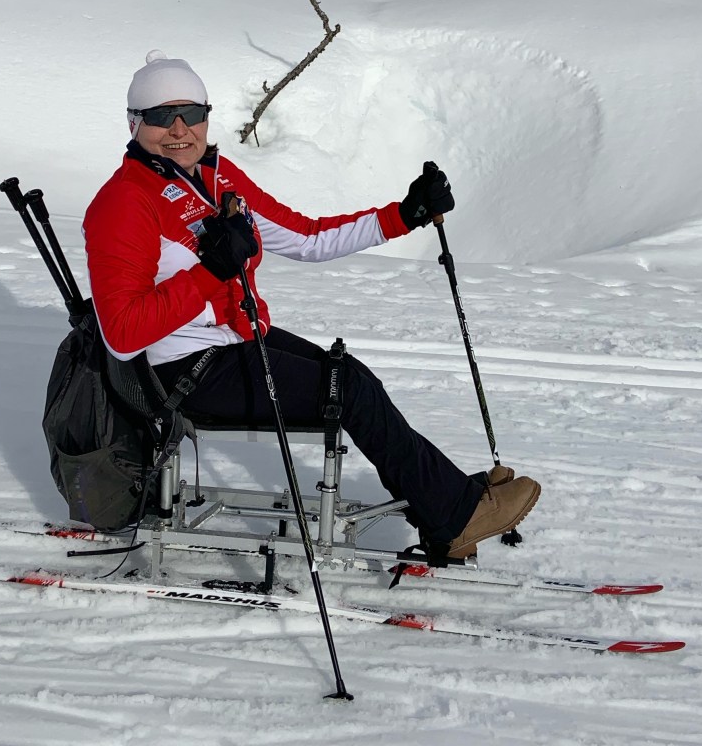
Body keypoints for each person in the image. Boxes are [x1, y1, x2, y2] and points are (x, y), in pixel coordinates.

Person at [83, 50, 540, 559]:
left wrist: (402, 215)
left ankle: (449, 508)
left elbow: (307, 237)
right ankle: (456, 515)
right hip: (187, 370)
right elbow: (122, 333)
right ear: (133, 123)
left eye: (192, 114)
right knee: (349, 392)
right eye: (161, 117)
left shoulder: (217, 177)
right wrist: (209, 272)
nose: (180, 129)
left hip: (236, 341)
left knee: (355, 378)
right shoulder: (123, 203)